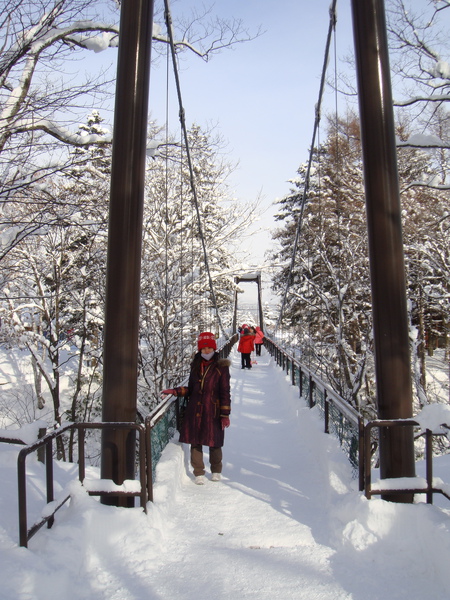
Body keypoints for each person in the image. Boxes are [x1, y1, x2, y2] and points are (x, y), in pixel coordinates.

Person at [162, 331, 231, 485]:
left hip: (213, 410)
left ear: (214, 349)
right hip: (195, 410)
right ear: (200, 350)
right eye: (203, 349)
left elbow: (225, 392)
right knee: (196, 441)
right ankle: (198, 472)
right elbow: (192, 389)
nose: (206, 351)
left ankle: (216, 470)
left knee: (214, 441)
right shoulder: (195, 365)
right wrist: (176, 391)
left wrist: (225, 414)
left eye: (209, 348)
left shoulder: (221, 367)